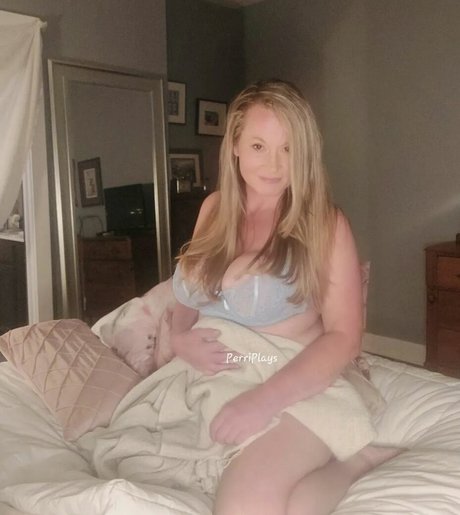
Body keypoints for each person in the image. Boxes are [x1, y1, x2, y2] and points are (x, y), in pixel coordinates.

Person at [170, 79, 399, 515]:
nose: (274, 164)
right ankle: (355, 463)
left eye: (289, 148)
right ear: (234, 147)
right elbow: (188, 289)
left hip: (295, 382)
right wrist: (179, 337)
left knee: (243, 505)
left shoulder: (325, 224)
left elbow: (344, 337)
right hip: (211, 384)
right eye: (259, 146)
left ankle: (354, 459)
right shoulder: (213, 209)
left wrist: (263, 401)